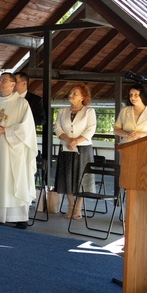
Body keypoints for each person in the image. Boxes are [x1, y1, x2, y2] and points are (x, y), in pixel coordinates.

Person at [0, 72, 37, 229]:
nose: (0, 82)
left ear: (13, 84)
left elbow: (27, 128)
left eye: (4, 80)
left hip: (14, 152)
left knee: (13, 180)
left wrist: (7, 130)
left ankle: (19, 217)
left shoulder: (22, 104)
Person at [54, 84, 96, 220]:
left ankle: (78, 207)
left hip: (83, 148)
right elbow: (58, 128)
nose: (71, 95)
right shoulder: (62, 111)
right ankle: (70, 206)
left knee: (81, 178)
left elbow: (90, 129)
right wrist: (68, 140)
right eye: (71, 93)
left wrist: (76, 141)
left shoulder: (89, 111)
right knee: (67, 177)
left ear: (83, 97)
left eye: (75, 94)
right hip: (66, 147)